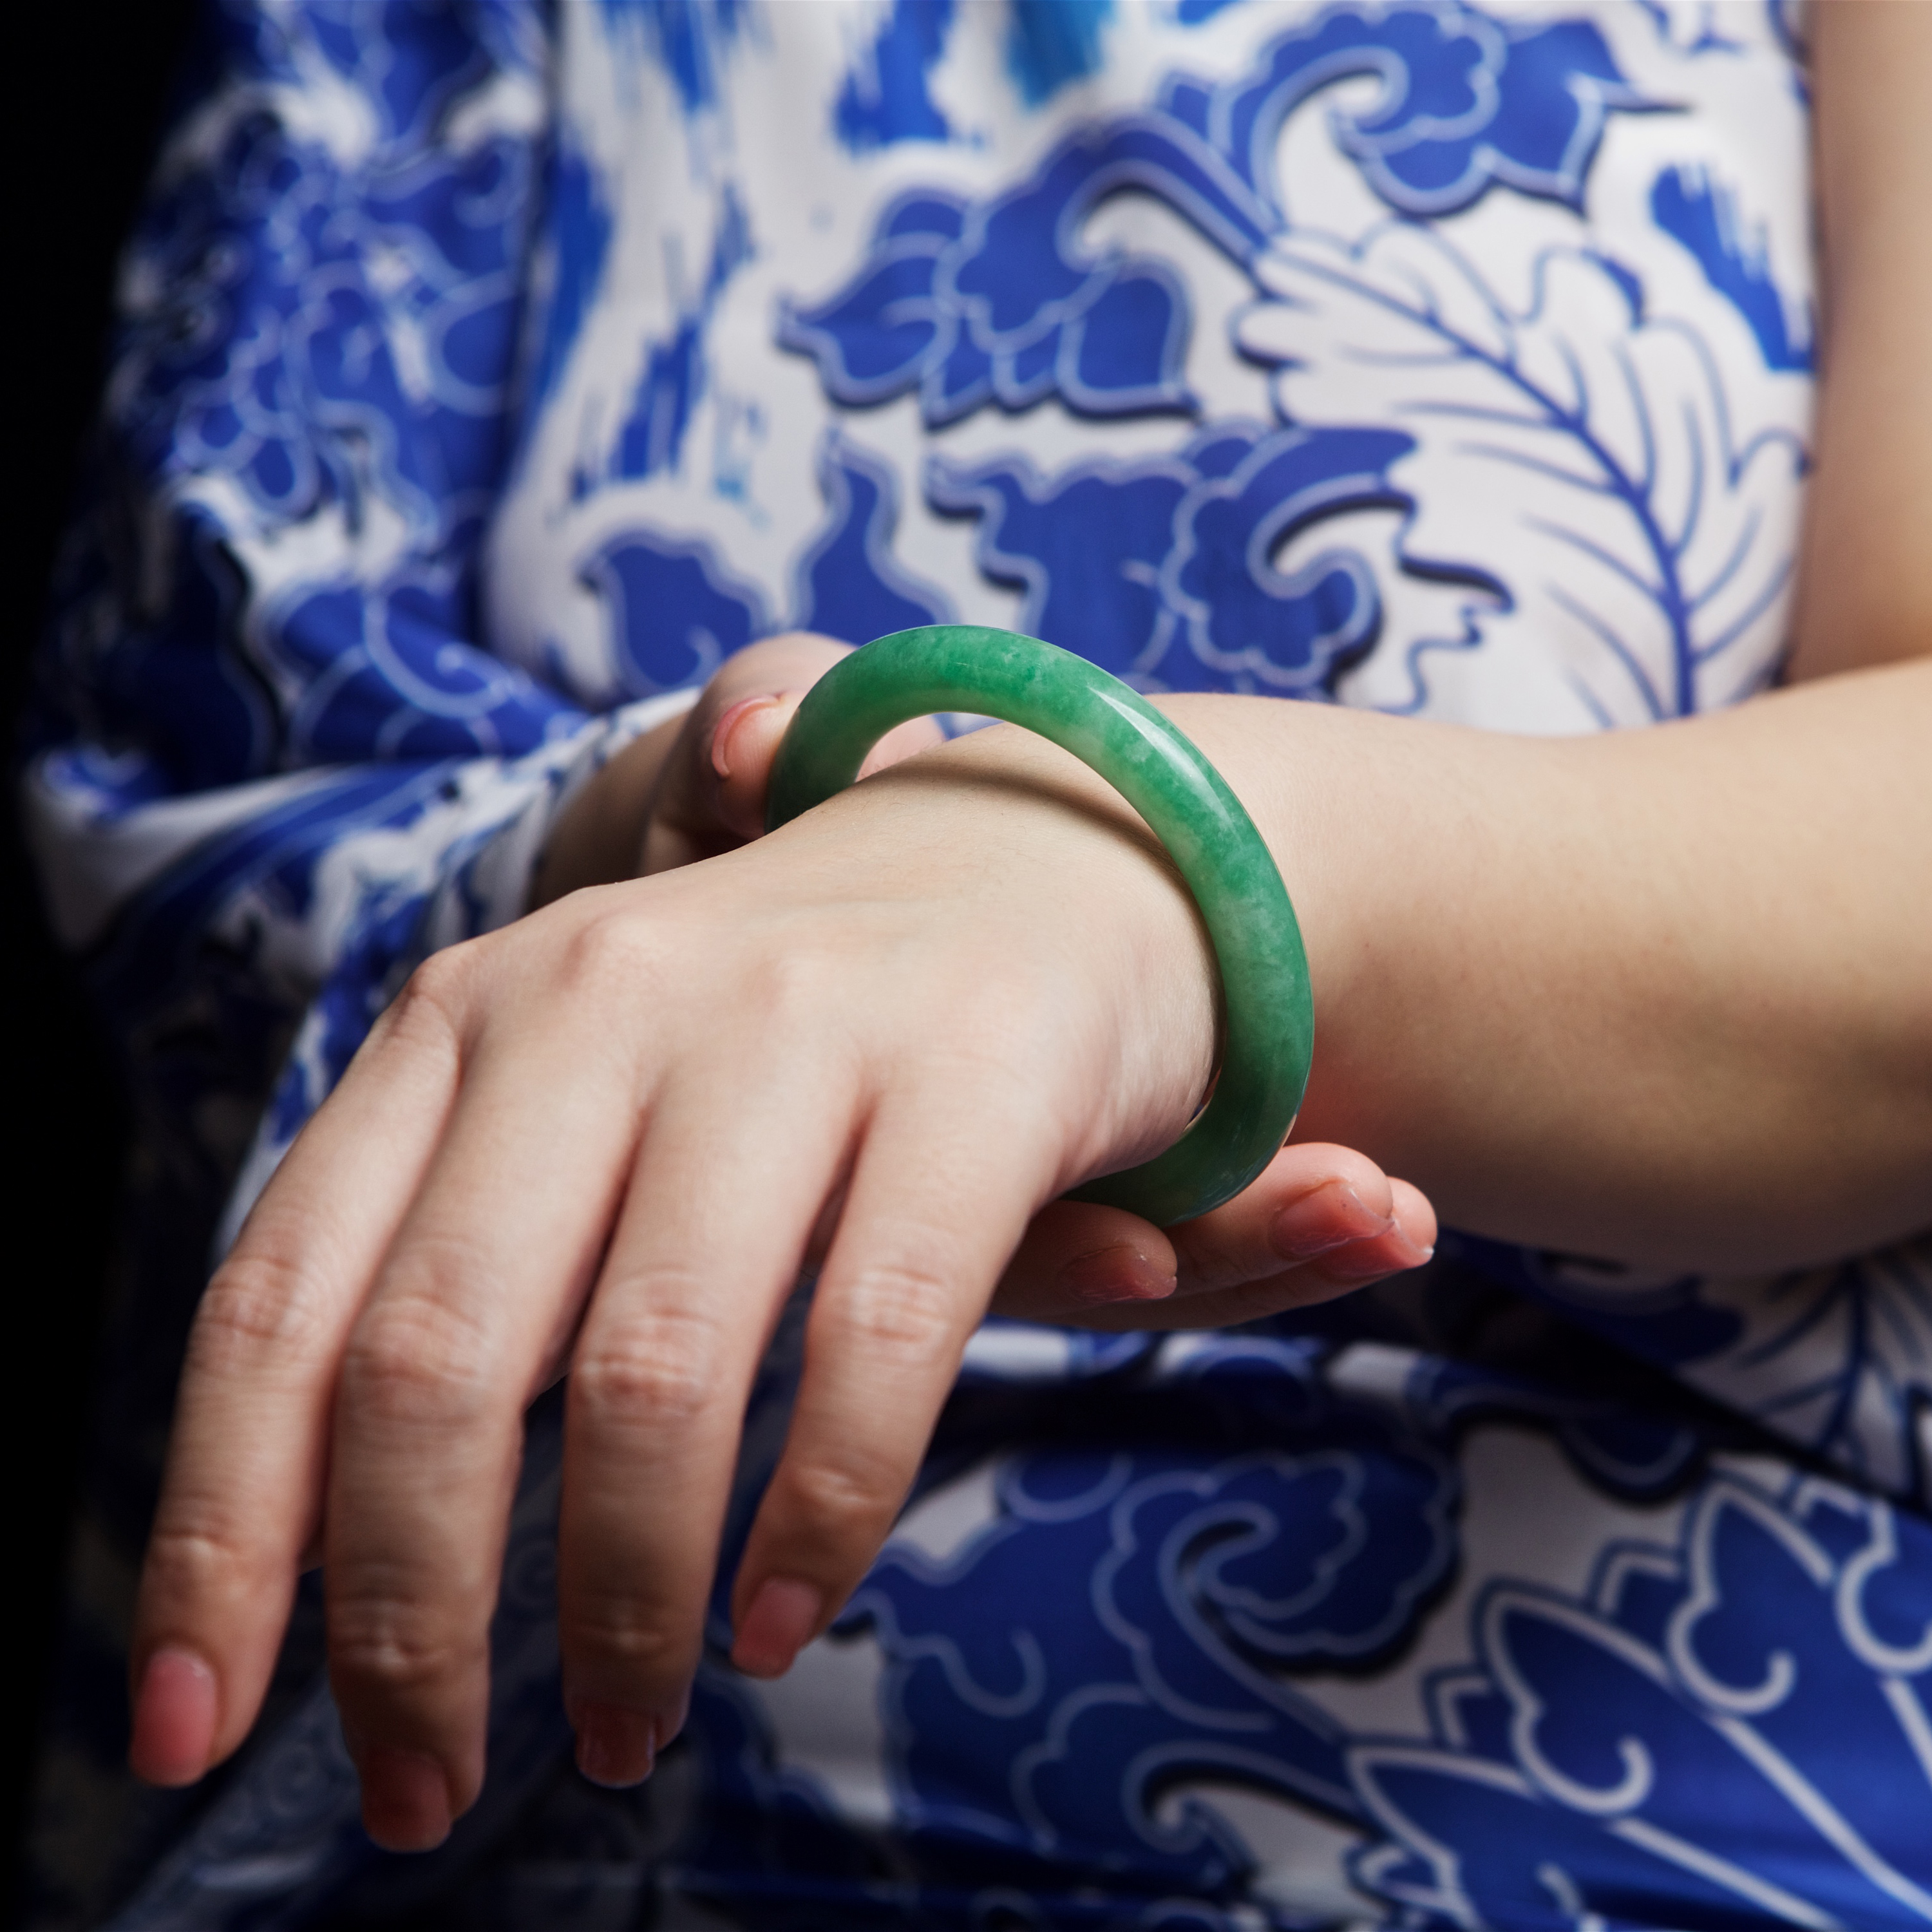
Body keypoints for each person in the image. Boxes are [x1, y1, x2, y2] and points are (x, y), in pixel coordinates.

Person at [20, 0, 1932, 1925]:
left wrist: (1124, 883)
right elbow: (198, 768)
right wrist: (638, 852)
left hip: (1644, 1757)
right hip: (559, 1784)